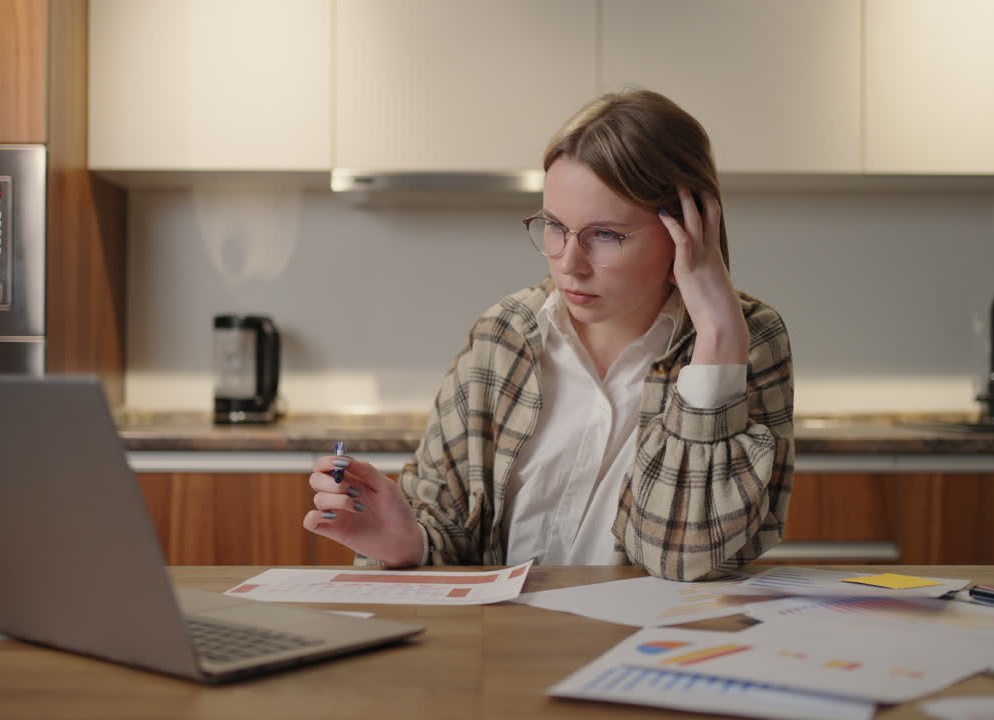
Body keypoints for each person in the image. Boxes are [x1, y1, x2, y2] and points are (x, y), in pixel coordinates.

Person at [303, 89, 794, 581]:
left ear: (688, 227)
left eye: (605, 234)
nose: (568, 263)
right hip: (510, 630)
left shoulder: (749, 341)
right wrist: (409, 542)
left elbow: (684, 557)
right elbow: (448, 531)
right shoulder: (505, 335)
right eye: (555, 226)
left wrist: (717, 334)